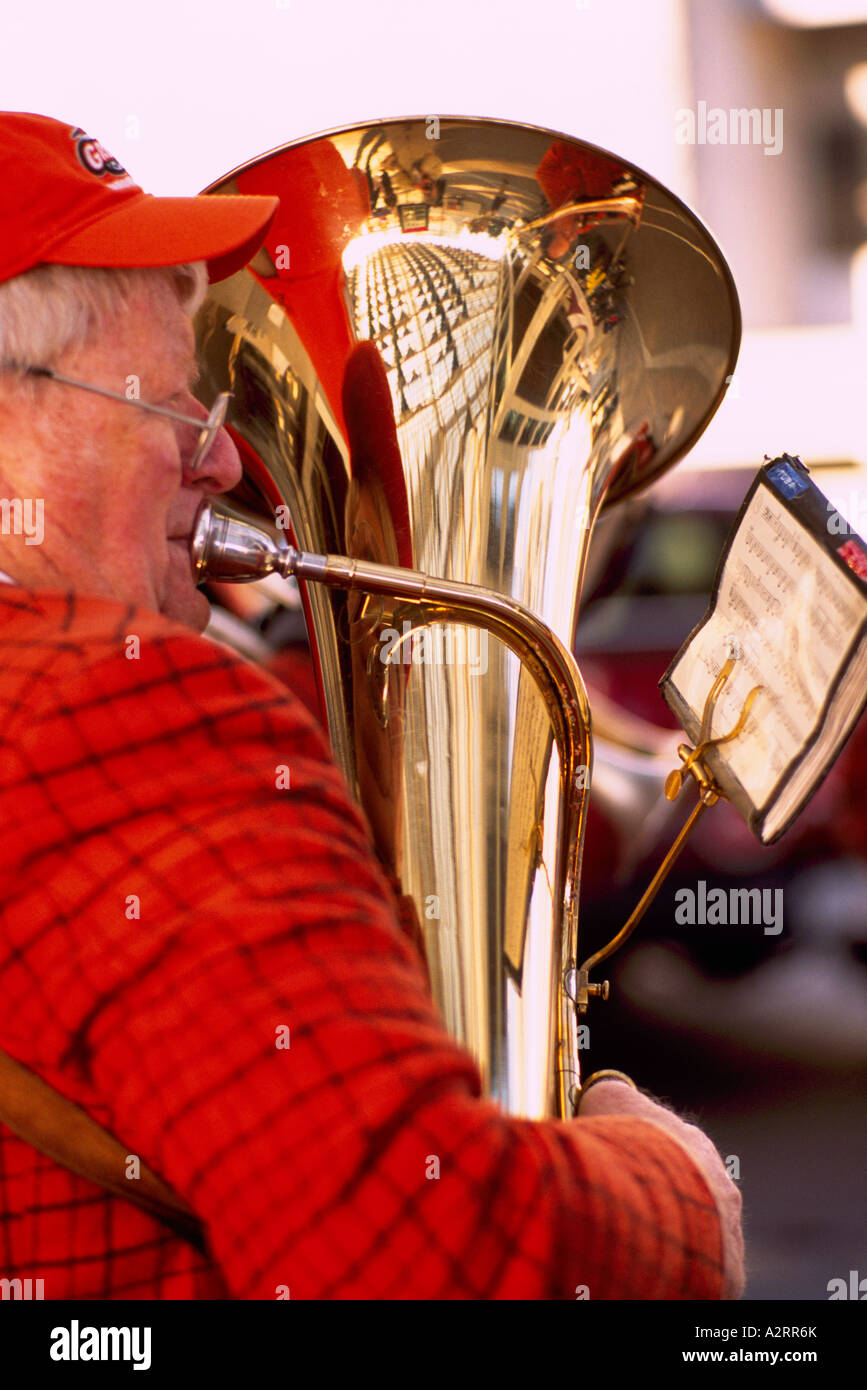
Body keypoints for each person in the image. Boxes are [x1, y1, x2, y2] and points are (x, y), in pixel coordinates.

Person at [0, 111, 743, 1301]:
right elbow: (420, 1255)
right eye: (177, 407)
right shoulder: (129, 718)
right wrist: (682, 1199)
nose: (227, 463)